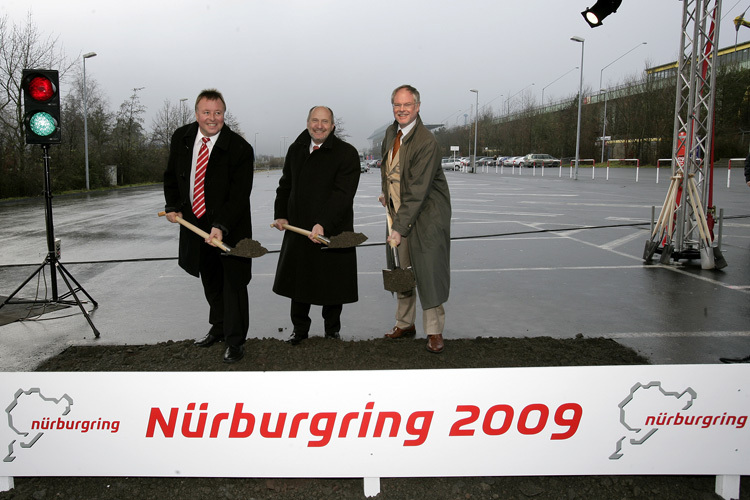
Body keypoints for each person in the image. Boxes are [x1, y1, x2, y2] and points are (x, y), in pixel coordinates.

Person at [163, 89, 254, 363]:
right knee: (210, 280)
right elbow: (171, 175)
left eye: (217, 113)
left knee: (233, 284)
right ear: (196, 114)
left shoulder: (240, 148)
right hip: (195, 225)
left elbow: (240, 195)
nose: (212, 119)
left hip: (230, 228)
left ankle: (236, 342)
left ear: (224, 114)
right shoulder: (182, 137)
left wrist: (220, 225)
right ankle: (219, 328)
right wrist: (173, 205)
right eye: (206, 112)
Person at [271, 106, 361, 345]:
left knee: (332, 283)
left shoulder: (346, 153)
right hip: (299, 229)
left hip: (331, 228)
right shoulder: (295, 150)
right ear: (308, 122)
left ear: (332, 126)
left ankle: (332, 330)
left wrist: (323, 223)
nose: (319, 125)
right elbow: (285, 185)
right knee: (299, 282)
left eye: (324, 121)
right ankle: (299, 329)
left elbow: (343, 194)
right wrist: (281, 214)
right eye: (315, 120)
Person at [379, 84, 451, 354]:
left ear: (417, 107)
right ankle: (404, 323)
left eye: (407, 105)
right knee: (401, 270)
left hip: (426, 216)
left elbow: (419, 191)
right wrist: (386, 194)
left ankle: (434, 331)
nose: (401, 109)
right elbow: (388, 169)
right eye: (397, 105)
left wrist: (398, 228)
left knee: (428, 272)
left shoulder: (426, 142)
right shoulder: (391, 132)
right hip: (399, 212)